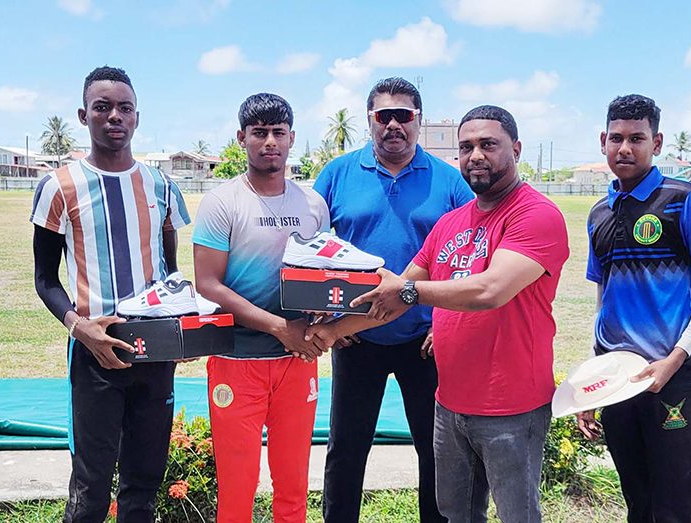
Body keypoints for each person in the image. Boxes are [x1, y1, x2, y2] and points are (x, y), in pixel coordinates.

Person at [308, 105, 569, 523]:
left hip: (510, 404)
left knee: (517, 515)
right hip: (450, 402)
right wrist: (329, 331)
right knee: (454, 514)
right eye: (466, 147)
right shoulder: (450, 223)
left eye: (488, 144)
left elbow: (489, 290)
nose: (476, 156)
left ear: (516, 149)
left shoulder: (536, 215)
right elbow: (389, 301)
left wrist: (409, 291)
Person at [31, 66, 191, 522]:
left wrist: (179, 332)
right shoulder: (59, 186)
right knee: (90, 489)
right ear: (84, 115)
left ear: (137, 117)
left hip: (154, 352)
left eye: (124, 108)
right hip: (94, 354)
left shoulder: (161, 186)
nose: (114, 116)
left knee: (143, 487)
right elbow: (45, 279)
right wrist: (82, 330)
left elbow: (171, 274)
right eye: (102, 107)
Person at [312, 77, 473, 522]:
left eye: (404, 116)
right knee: (346, 448)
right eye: (384, 116)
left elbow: (471, 257)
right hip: (355, 338)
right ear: (370, 120)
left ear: (418, 121)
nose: (394, 125)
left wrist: (445, 323)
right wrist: (326, 316)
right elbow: (309, 250)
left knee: (436, 449)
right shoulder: (337, 174)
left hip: (425, 339)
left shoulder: (450, 182)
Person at [576, 94, 691, 523]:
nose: (625, 148)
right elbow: (603, 299)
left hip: (672, 376)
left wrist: (674, 359)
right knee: (637, 502)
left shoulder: (684, 199)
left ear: (657, 142)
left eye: (637, 138)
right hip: (618, 380)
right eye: (617, 138)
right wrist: (593, 380)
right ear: (603, 141)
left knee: (675, 508)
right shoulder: (599, 213)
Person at [192, 93, 330, 523]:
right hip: (237, 359)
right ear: (242, 138)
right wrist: (277, 327)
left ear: (292, 139)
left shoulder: (313, 206)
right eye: (259, 133)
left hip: (296, 361)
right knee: (238, 488)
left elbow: (321, 276)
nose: (269, 141)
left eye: (278, 132)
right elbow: (208, 283)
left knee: (293, 486)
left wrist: (321, 323)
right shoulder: (222, 202)